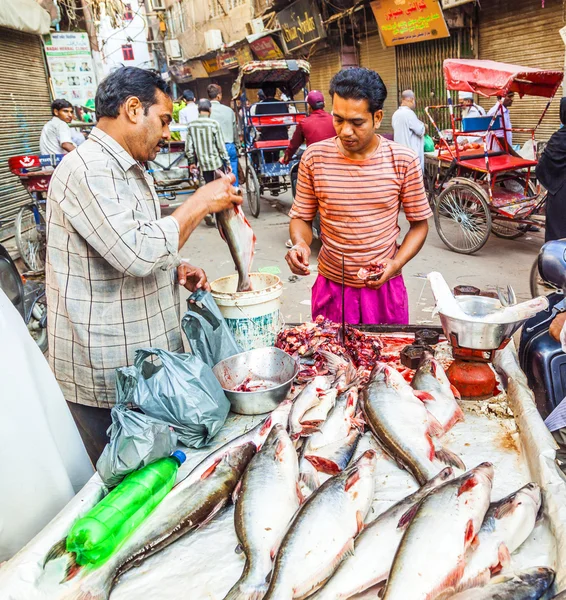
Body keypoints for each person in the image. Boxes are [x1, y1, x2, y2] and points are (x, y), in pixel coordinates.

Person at [46, 67, 242, 462]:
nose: (168, 133)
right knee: (128, 490)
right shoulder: (87, 169)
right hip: (108, 376)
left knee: (159, 470)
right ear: (134, 109)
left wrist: (175, 265)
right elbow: (136, 253)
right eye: (165, 120)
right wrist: (200, 201)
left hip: (145, 368)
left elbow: (138, 238)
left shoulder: (130, 169)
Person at [285, 68, 432, 326]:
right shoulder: (313, 158)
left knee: (387, 361)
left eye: (356, 122)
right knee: (330, 362)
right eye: (338, 119)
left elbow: (419, 225)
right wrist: (300, 244)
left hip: (384, 290)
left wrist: (395, 264)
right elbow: (301, 218)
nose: (345, 131)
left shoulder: (403, 160)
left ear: (377, 118)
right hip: (331, 289)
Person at [536, 98, 566, 242]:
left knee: (557, 236)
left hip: (559, 194)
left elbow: (542, 167)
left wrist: (551, 183)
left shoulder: (557, 138)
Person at [280, 90, 336, 165]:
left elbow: (294, 145)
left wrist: (285, 159)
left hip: (315, 163)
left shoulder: (304, 123)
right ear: (324, 104)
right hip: (334, 160)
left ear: (309, 106)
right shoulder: (334, 120)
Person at [208, 83, 240, 185]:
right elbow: (235, 131)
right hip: (229, 146)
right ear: (218, 96)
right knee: (232, 173)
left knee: (216, 176)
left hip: (213, 148)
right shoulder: (229, 111)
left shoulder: (206, 112)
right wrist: (238, 146)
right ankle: (235, 192)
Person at [392, 90, 426, 170]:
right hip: (411, 158)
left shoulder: (395, 114)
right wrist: (425, 126)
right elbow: (420, 130)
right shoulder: (409, 114)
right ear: (411, 99)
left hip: (399, 156)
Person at [254, 83, 289, 163]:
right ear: (275, 92)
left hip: (266, 138)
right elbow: (288, 126)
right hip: (283, 137)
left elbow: (258, 128)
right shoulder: (283, 105)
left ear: (264, 93)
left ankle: (268, 163)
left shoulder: (259, 106)